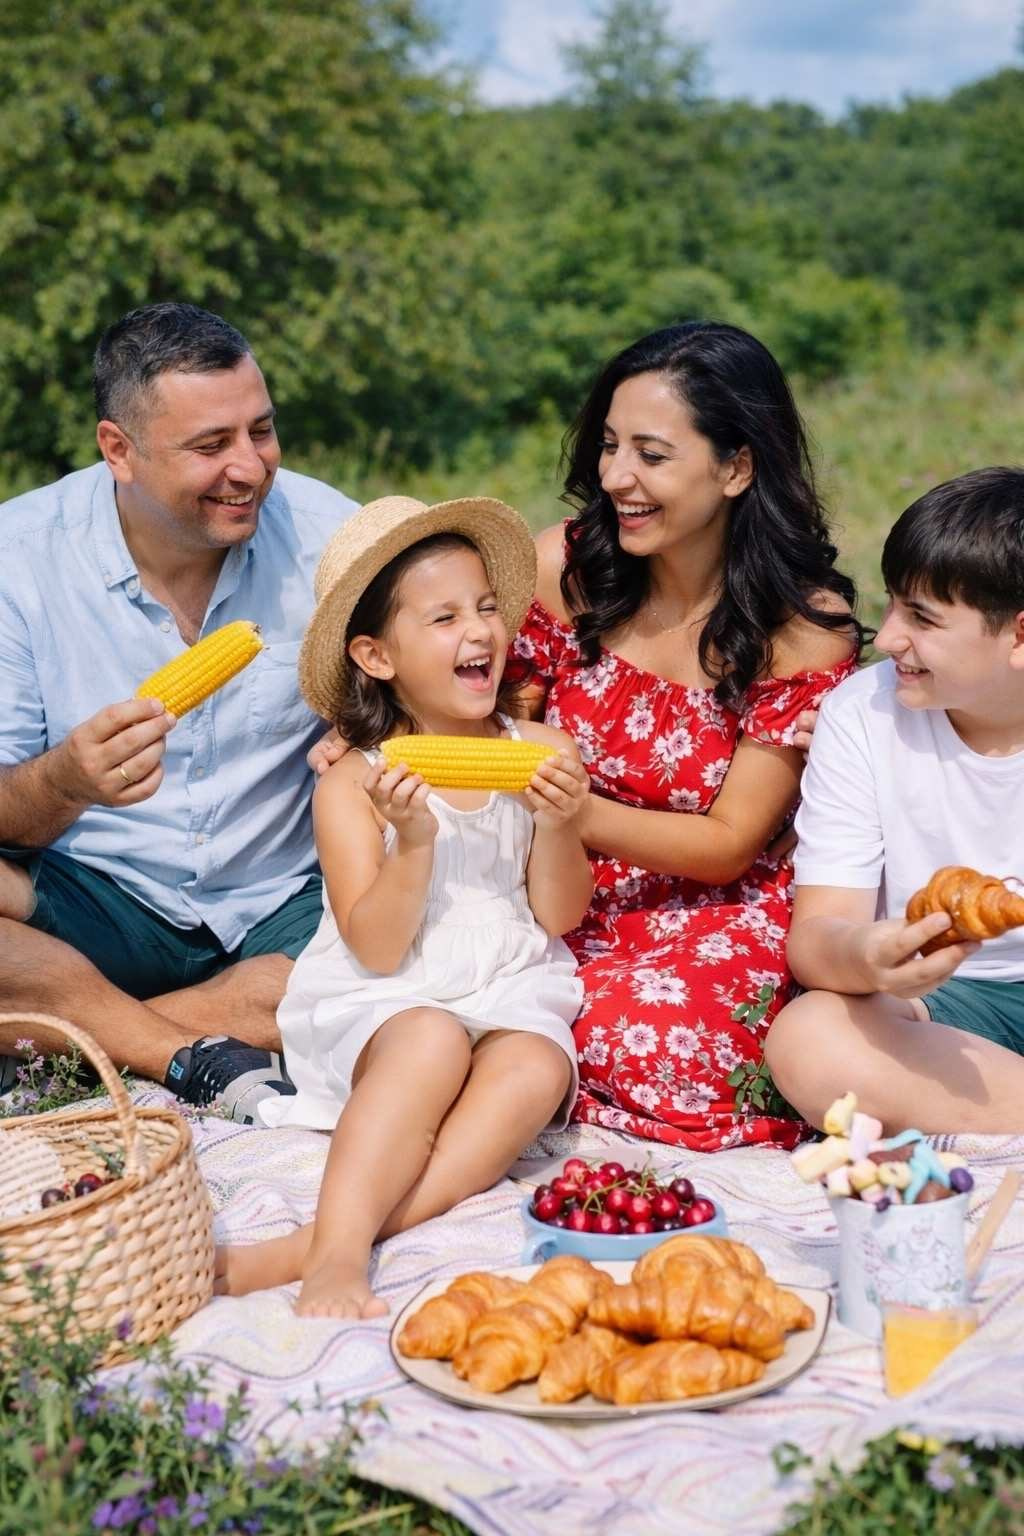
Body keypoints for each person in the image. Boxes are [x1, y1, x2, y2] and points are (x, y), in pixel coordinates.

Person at [218, 494, 592, 1316]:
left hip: (508, 977)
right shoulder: (354, 783)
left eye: (488, 608)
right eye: (445, 617)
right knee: (427, 1041)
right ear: (376, 656)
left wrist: (562, 827)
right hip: (389, 992)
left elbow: (559, 916)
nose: (480, 631)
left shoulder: (544, 752)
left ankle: (308, 1244)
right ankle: (336, 1258)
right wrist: (414, 841)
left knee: (534, 1065)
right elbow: (379, 948)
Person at [511, 320, 863, 1151]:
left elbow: (729, 844)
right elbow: (502, 718)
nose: (616, 478)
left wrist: (568, 807)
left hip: (708, 907)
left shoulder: (801, 624)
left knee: (644, 1037)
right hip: (547, 877)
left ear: (737, 466)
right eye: (608, 446)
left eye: (651, 455)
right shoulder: (567, 569)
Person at [0, 302, 358, 1120]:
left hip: (278, 906)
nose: (251, 468)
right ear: (117, 451)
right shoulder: (18, 561)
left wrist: (374, 728)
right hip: (98, 898)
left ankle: (80, 1049)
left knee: (400, 974)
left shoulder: (327, 535)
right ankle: (186, 1048)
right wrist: (64, 779)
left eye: (261, 432)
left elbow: (433, 681)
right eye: (210, 446)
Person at [765, 467, 1024, 1133]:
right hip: (945, 1010)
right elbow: (818, 940)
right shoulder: (862, 715)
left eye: (923, 618)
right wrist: (874, 955)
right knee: (809, 1039)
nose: (886, 639)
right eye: (893, 603)